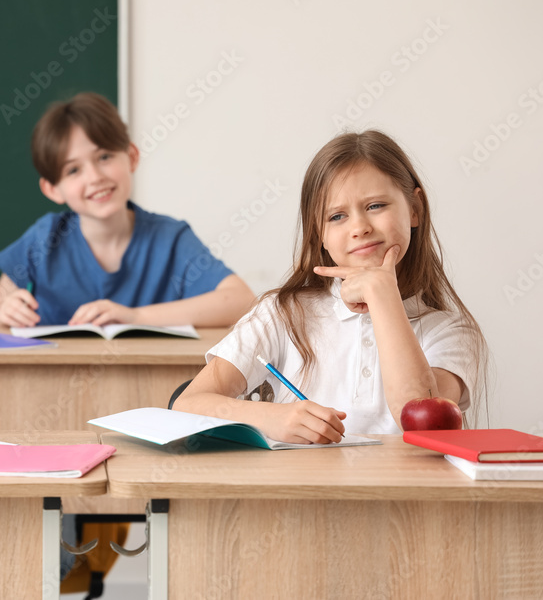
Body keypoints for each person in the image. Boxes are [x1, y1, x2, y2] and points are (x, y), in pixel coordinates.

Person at [173, 130, 489, 442]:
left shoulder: (452, 332)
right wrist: (270, 417)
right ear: (319, 234)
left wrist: (383, 296)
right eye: (337, 216)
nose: (360, 228)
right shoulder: (284, 313)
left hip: (400, 495)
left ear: (415, 210)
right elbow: (187, 405)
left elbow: (422, 424)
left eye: (376, 206)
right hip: (300, 492)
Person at [0, 92, 254, 327]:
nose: (94, 177)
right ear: (52, 189)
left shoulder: (170, 238)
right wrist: (0, 318)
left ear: (131, 157)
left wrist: (136, 317)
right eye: (73, 170)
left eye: (104, 157)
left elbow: (241, 301)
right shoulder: (43, 240)